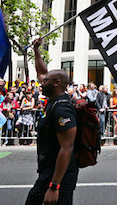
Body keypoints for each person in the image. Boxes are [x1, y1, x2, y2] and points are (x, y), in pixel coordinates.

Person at [25, 38, 78, 205]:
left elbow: (67, 147)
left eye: (45, 81)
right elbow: (42, 72)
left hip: (58, 174)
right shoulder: (54, 100)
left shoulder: (62, 109)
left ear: (57, 83)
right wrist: (36, 50)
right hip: (49, 170)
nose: (41, 82)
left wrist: (54, 186)